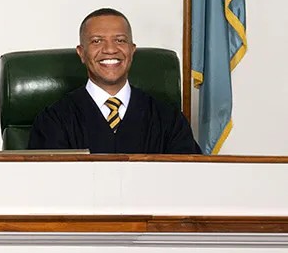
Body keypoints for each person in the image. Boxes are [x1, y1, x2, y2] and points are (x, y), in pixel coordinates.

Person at [28, 8, 200, 154]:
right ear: (81, 53)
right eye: (97, 41)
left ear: (132, 50)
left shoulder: (169, 120)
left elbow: (189, 178)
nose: (110, 49)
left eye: (120, 40)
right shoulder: (53, 121)